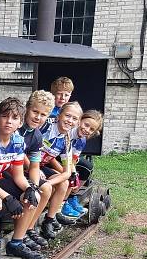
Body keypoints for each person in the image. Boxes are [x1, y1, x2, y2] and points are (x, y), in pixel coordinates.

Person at [0, 97, 43, 259]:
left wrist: (30, 188)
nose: (9, 121)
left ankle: (16, 243)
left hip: (0, 179)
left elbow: (18, 175)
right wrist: (7, 198)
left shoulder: (18, 141)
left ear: (20, 123)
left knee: (33, 197)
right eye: (4, 116)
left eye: (14, 118)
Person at [40, 101, 83, 236]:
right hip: (24, 165)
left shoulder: (66, 139)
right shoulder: (45, 126)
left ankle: (49, 220)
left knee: (64, 182)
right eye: (67, 116)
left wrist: (49, 182)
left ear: (78, 122)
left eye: (74, 118)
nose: (70, 121)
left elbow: (67, 171)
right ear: (59, 115)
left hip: (39, 166)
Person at [18, 90, 56, 244]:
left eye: (43, 114)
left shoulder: (37, 135)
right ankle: (22, 232)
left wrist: (33, 186)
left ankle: (29, 227)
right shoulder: (16, 126)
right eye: (35, 111)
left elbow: (34, 164)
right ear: (27, 108)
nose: (38, 117)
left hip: (24, 172)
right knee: (37, 191)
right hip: (10, 171)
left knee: (45, 188)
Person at [62, 109, 104, 216]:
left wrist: (74, 172)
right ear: (80, 120)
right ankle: (62, 203)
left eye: (91, 129)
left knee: (86, 168)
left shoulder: (82, 140)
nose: (87, 129)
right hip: (58, 157)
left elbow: (74, 159)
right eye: (86, 125)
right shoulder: (68, 131)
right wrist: (70, 171)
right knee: (70, 175)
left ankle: (71, 197)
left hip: (68, 159)